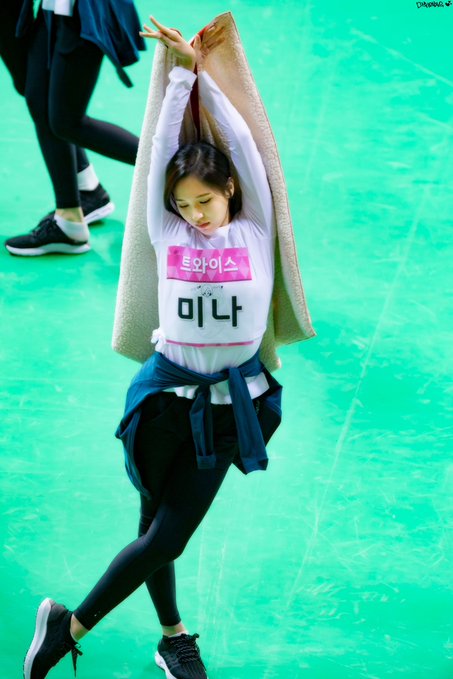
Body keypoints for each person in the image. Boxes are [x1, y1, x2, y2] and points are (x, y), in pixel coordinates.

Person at [23, 17, 283, 679]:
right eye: (184, 204)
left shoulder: (254, 230)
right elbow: (159, 152)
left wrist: (202, 76)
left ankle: (67, 627)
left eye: (205, 201)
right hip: (162, 399)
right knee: (154, 528)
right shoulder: (168, 233)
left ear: (229, 191)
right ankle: (172, 636)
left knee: (168, 534)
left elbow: (245, 147)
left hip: (227, 408)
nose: (195, 214)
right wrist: (175, 83)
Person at [2, 0, 145, 257]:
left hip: (79, 11)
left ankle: (183, 164)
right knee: (39, 97)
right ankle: (76, 208)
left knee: (67, 121)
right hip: (53, 10)